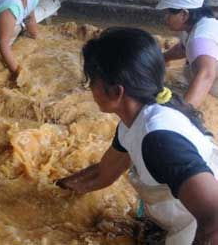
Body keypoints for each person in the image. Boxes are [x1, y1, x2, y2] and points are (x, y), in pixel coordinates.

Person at [55, 27, 218, 245]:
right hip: (183, 217)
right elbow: (103, 173)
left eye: (92, 81)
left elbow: (214, 220)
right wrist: (57, 187)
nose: (90, 90)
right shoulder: (133, 123)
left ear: (116, 92)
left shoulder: (158, 139)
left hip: (198, 227)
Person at [157, 0, 218, 108]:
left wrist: (182, 113)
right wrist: (163, 58)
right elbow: (183, 48)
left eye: (169, 13)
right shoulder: (202, 25)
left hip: (211, 81)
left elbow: (206, 75)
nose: (166, 18)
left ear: (184, 14)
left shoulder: (199, 39)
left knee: (190, 74)